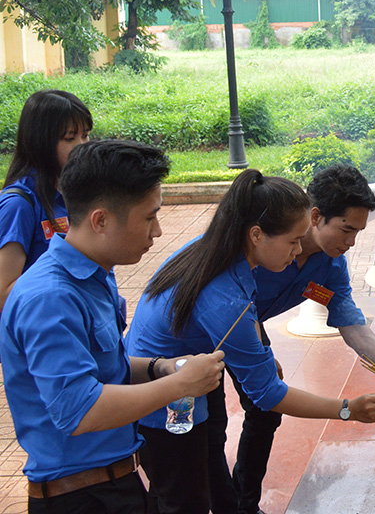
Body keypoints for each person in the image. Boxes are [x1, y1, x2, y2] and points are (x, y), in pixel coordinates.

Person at [126, 169, 375, 514]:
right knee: (183, 490)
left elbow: (255, 324)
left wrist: (260, 355)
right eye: (293, 242)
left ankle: (238, 505)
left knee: (207, 446)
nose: (298, 252)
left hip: (193, 363)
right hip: (162, 385)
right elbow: (268, 392)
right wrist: (348, 410)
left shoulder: (234, 260)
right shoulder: (227, 295)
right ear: (257, 234)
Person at [0, 139, 225, 513]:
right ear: (101, 220)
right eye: (149, 217)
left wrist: (160, 367)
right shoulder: (50, 297)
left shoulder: (94, 275)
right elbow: (80, 409)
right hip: (80, 497)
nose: (157, 232)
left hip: (116, 482)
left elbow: (105, 367)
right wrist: (179, 385)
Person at [206, 164, 375, 514]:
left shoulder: (329, 267)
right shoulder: (263, 245)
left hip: (244, 323)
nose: (351, 242)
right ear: (316, 216)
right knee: (209, 427)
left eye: (358, 232)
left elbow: (353, 328)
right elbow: (233, 299)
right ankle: (226, 503)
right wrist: (263, 356)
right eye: (346, 229)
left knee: (264, 413)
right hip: (209, 328)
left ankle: (244, 501)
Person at [0, 89, 93, 312]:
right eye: (70, 138)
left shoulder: (75, 195)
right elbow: (3, 293)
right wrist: (70, 290)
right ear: (40, 143)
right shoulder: (18, 205)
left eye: (86, 135)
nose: (82, 146)